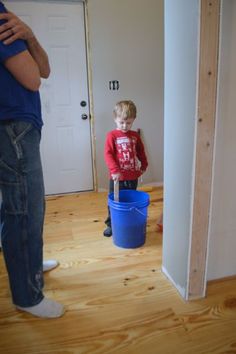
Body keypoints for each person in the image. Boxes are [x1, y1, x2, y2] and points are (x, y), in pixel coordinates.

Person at [0, 3, 64, 317]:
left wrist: (31, 36)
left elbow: (46, 69)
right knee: (24, 210)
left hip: (16, 126)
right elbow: (33, 78)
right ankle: (27, 297)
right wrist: (28, 41)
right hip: (11, 126)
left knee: (21, 207)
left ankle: (30, 264)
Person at [104, 100, 148, 236]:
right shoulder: (112, 136)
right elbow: (108, 154)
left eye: (129, 123)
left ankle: (127, 222)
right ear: (115, 119)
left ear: (133, 120)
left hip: (132, 176)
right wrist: (114, 171)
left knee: (130, 201)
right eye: (121, 122)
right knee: (115, 201)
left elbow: (141, 152)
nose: (125, 125)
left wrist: (144, 165)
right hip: (117, 178)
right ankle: (112, 224)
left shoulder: (135, 136)